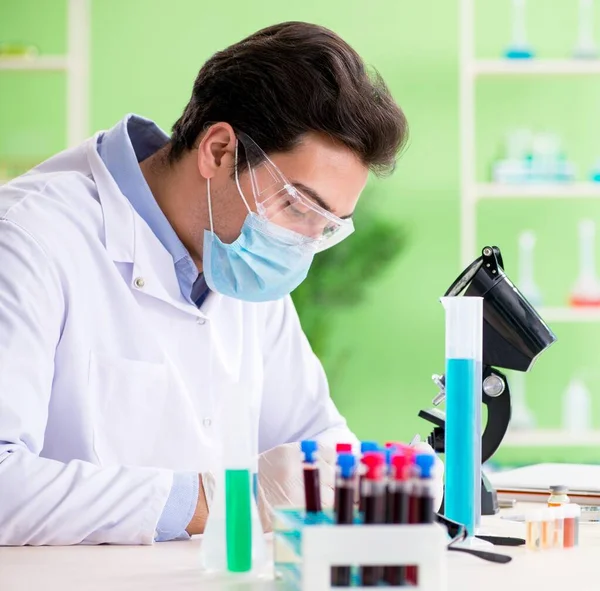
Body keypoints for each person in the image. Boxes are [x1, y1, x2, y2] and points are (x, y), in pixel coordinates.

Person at [0, 21, 441, 546]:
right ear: (217, 150)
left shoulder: (245, 263)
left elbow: (312, 443)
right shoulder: (31, 239)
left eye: (325, 227)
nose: (302, 242)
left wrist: (367, 486)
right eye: (299, 207)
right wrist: (204, 501)